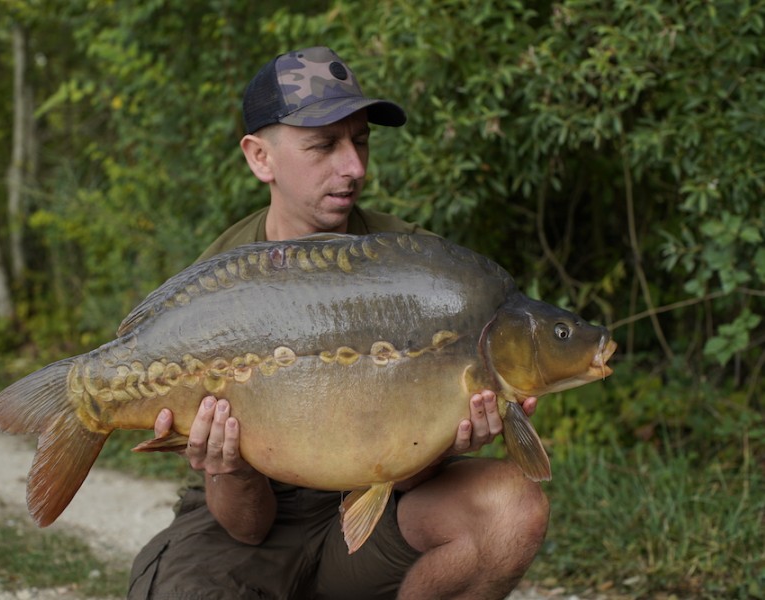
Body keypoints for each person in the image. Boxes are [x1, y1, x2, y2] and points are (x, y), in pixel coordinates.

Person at [128, 46, 549, 600]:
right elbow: (246, 525)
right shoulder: (216, 291)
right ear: (261, 158)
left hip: (377, 517)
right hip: (252, 528)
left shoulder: (418, 266)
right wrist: (228, 467)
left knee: (508, 509)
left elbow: (405, 474)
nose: (353, 167)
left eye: (361, 140)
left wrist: (442, 441)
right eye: (324, 145)